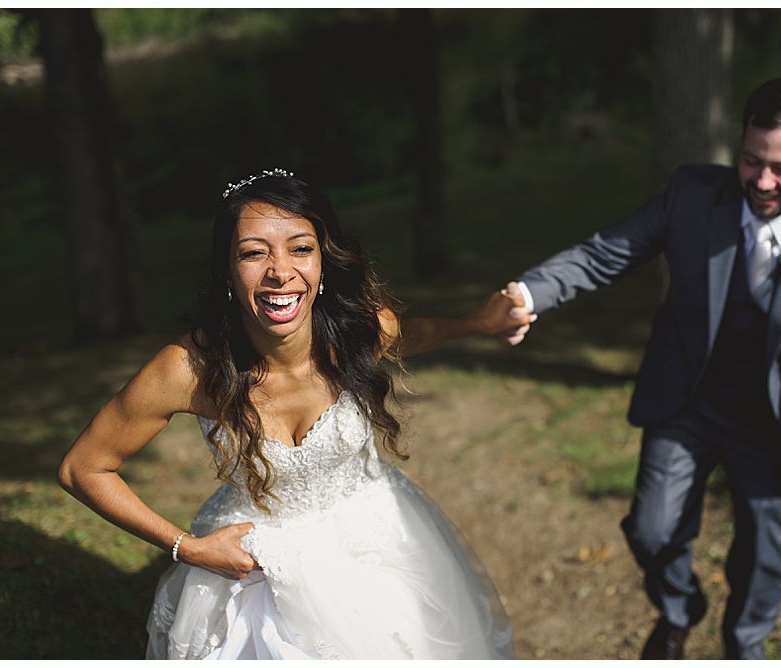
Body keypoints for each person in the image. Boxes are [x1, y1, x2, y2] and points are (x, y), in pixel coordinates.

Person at [57, 169, 530, 659]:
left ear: (324, 260)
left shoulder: (360, 331)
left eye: (300, 248)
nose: (280, 272)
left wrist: (478, 322)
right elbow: (83, 467)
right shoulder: (188, 369)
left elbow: (415, 333)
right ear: (226, 268)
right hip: (257, 576)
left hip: (379, 544)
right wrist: (188, 548)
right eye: (254, 251)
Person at [497, 77, 781, 659]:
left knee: (762, 563)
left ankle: (744, 648)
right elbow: (607, 252)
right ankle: (680, 611)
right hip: (690, 399)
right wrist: (528, 294)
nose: (760, 181)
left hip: (780, 426)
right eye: (750, 159)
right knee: (652, 532)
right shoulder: (691, 194)